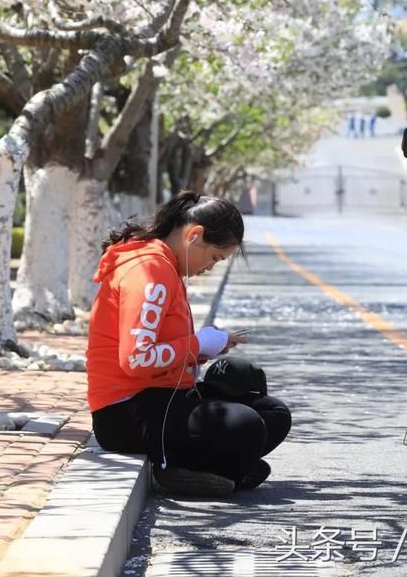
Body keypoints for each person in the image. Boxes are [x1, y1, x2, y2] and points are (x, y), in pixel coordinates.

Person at [86, 190, 292, 498]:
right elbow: (137, 358)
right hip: (126, 413)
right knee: (247, 426)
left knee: (271, 412)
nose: (210, 267)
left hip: (162, 396)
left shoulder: (164, 265)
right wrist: (196, 344)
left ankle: (216, 467)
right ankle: (185, 468)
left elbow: (162, 347)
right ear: (195, 235)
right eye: (214, 258)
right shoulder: (150, 272)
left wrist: (206, 347)